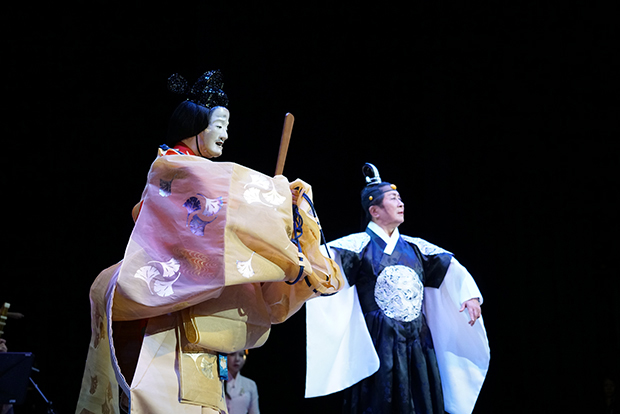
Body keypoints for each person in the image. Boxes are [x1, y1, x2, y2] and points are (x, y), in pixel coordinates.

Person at [76, 70, 343, 414]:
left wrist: (278, 204)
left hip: (193, 305)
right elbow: (227, 202)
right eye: (219, 126)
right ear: (195, 126)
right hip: (169, 303)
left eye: (226, 127)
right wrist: (277, 195)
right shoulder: (174, 167)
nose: (225, 135)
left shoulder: (192, 169)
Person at [305, 163, 490, 414]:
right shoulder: (357, 246)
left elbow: (451, 268)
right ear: (375, 211)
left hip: (417, 340)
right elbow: (319, 264)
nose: (401, 203)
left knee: (420, 400)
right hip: (377, 341)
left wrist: (469, 296)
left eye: (400, 198)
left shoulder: (416, 248)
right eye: (393, 199)